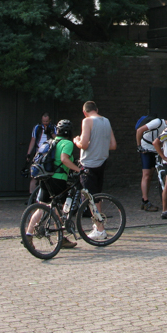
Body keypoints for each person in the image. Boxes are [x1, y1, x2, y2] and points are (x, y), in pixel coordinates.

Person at [25, 119, 78, 248]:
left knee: (43, 207)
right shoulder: (67, 143)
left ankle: (28, 235)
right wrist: (78, 169)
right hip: (58, 180)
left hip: (46, 178)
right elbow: (64, 159)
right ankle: (61, 237)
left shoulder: (51, 141)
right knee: (62, 207)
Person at [73, 101, 117, 240]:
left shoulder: (87, 121)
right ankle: (98, 225)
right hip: (102, 163)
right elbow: (113, 145)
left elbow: (84, 145)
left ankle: (100, 230)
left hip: (88, 164)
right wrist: (99, 145)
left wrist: (76, 141)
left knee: (90, 198)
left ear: (84, 112)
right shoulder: (106, 121)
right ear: (96, 109)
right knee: (97, 197)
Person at [136, 116, 167, 211]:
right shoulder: (158, 122)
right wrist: (139, 146)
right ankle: (145, 201)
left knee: (152, 174)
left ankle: (166, 198)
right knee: (146, 174)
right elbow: (139, 130)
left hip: (156, 148)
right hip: (146, 148)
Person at [26, 113, 55, 196]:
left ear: (50, 120)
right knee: (34, 174)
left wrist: (51, 132)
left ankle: (47, 195)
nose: (45, 123)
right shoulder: (37, 127)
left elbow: (57, 139)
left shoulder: (53, 127)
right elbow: (33, 140)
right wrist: (28, 154)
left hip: (49, 154)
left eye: (46, 121)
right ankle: (31, 196)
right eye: (43, 121)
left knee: (47, 175)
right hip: (38, 154)